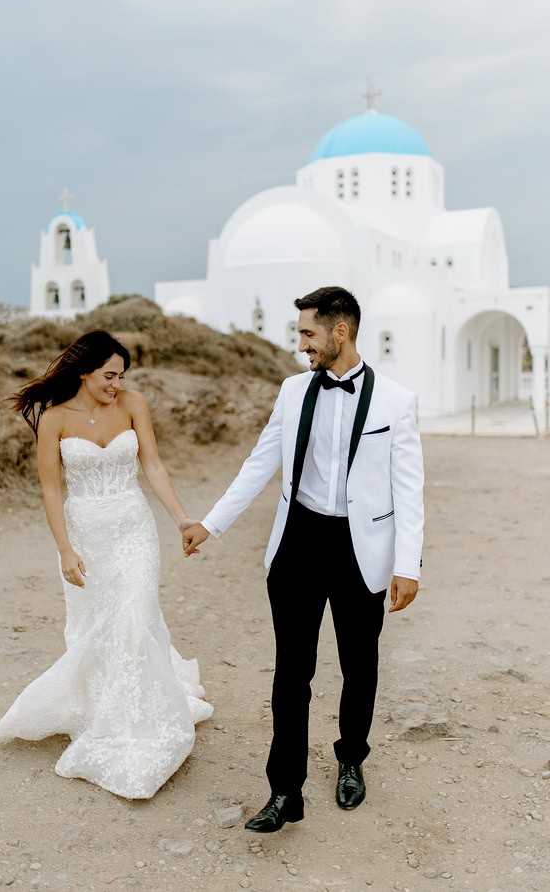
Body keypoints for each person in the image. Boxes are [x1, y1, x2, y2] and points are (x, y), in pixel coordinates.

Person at [182, 287, 424, 832]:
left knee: (360, 666)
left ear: (341, 332)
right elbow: (259, 462)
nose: (301, 346)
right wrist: (211, 523)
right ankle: (284, 790)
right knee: (292, 672)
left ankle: (351, 758)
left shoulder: (396, 401)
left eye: (308, 334)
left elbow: (410, 490)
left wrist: (408, 564)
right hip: (298, 543)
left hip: (363, 549)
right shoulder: (292, 392)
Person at [0, 330, 212, 798]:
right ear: (84, 371)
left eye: (121, 375)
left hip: (133, 529)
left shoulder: (133, 403)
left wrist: (182, 518)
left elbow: (152, 464)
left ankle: (135, 723)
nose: (117, 383)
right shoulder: (53, 420)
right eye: (109, 375)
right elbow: (51, 490)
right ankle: (104, 708)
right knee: (98, 627)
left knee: (134, 617)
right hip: (86, 534)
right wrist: (65, 549)